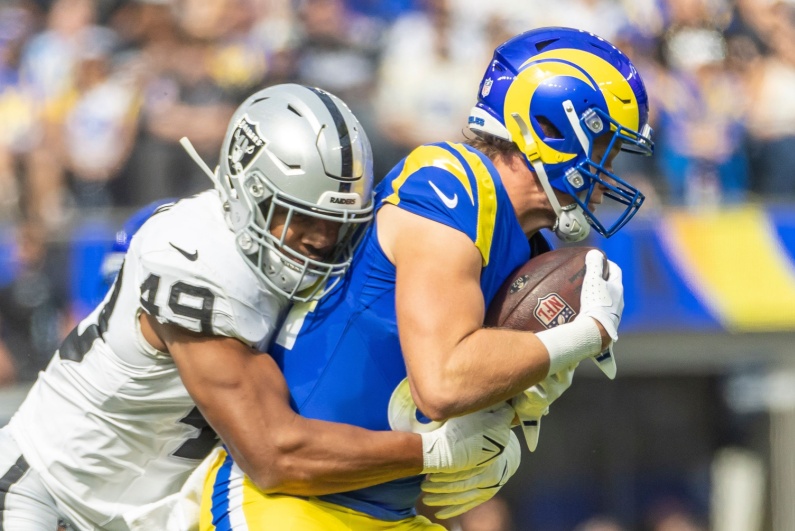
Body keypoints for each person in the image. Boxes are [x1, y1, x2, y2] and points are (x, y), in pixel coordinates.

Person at [0, 84, 518, 531]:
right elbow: (276, 452)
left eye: (336, 223)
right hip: (51, 495)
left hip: (159, 512)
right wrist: (436, 453)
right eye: (298, 219)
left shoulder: (333, 260)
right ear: (244, 190)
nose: (319, 242)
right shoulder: (197, 257)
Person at [202, 26, 654, 529]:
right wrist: (585, 334)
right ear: (552, 129)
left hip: (383, 510)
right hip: (292, 504)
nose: (608, 175)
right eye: (605, 151)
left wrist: (500, 433)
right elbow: (441, 383)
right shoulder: (451, 185)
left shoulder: (528, 247)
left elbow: (441, 439)